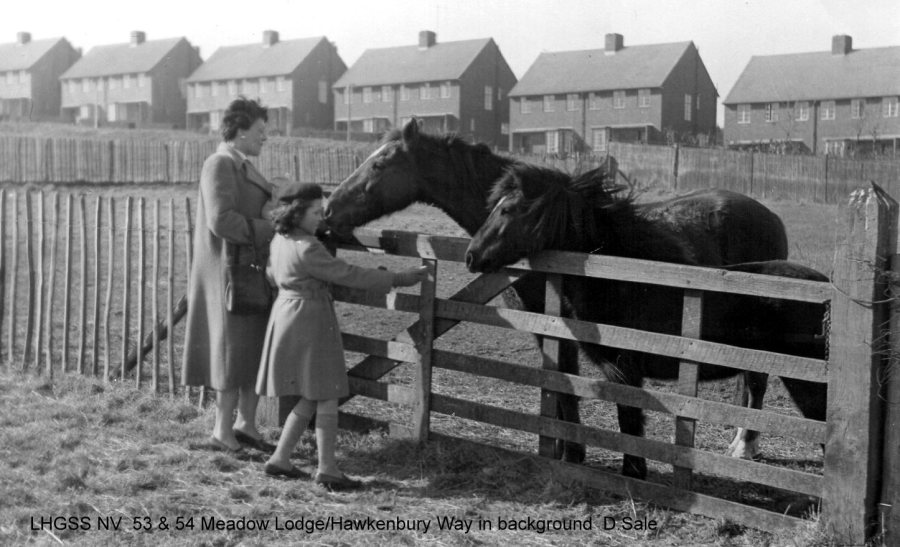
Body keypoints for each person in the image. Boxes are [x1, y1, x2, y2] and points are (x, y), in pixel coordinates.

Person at [256, 182, 427, 489]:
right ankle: (327, 469)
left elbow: (272, 274)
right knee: (326, 392)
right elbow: (348, 274)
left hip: (286, 313)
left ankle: (281, 459)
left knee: (312, 394)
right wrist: (398, 278)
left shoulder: (281, 240)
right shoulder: (308, 247)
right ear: (297, 213)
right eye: (315, 212)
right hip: (310, 318)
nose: (320, 218)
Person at [182, 97, 275, 453]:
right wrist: (269, 227)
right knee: (230, 352)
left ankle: (245, 425)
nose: (265, 137)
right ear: (240, 131)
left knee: (250, 348)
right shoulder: (220, 164)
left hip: (246, 269)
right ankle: (222, 431)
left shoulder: (241, 165)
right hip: (228, 273)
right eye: (260, 130)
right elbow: (221, 221)